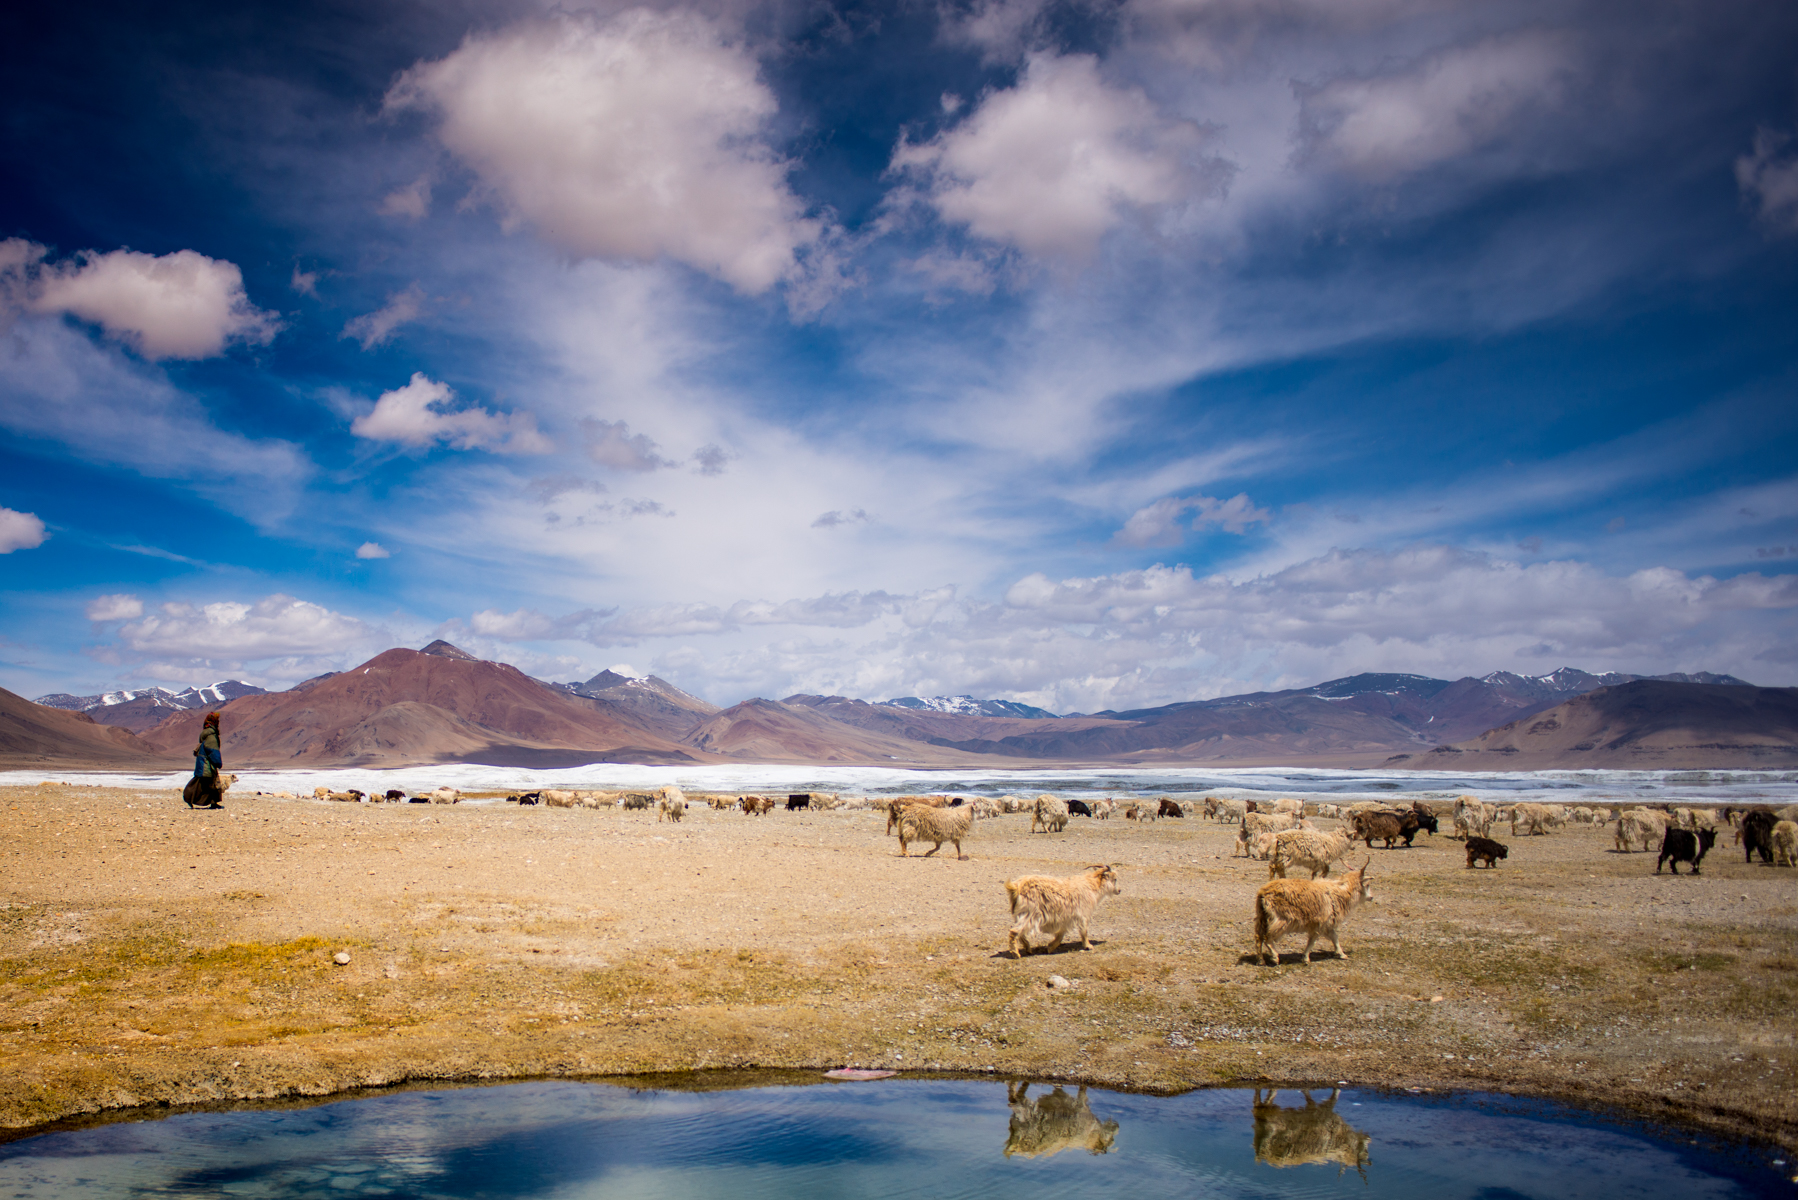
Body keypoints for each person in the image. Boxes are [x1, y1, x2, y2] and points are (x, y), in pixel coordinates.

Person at [190, 712, 223, 807]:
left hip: (202, 763)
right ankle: (190, 798)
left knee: (205, 783)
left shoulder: (206, 734)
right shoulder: (211, 736)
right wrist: (218, 762)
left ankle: (213, 803)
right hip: (207, 764)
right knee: (211, 784)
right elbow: (213, 751)